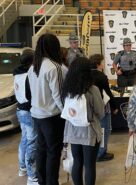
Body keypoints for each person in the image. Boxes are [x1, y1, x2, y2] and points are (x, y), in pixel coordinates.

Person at [28, 33, 68, 185]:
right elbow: (58, 96)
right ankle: (52, 182)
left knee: (41, 149)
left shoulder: (33, 67)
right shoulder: (54, 67)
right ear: (54, 47)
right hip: (52, 117)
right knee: (53, 152)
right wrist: (67, 115)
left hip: (36, 115)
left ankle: (42, 181)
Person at [62, 57, 105, 185]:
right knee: (90, 165)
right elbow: (100, 112)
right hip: (89, 132)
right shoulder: (92, 90)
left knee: (77, 161)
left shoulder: (67, 89)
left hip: (72, 131)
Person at [13, 49, 38, 185]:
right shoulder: (28, 75)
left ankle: (22, 168)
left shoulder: (17, 73)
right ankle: (32, 176)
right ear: (31, 61)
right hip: (28, 112)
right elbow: (31, 95)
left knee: (24, 140)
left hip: (20, 110)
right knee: (32, 144)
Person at [89, 54, 116, 162]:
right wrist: (115, 106)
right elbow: (108, 93)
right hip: (102, 106)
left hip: (91, 107)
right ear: (98, 64)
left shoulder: (87, 75)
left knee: (95, 130)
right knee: (105, 129)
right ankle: (101, 152)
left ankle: (96, 151)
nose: (104, 64)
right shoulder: (101, 76)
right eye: (103, 62)